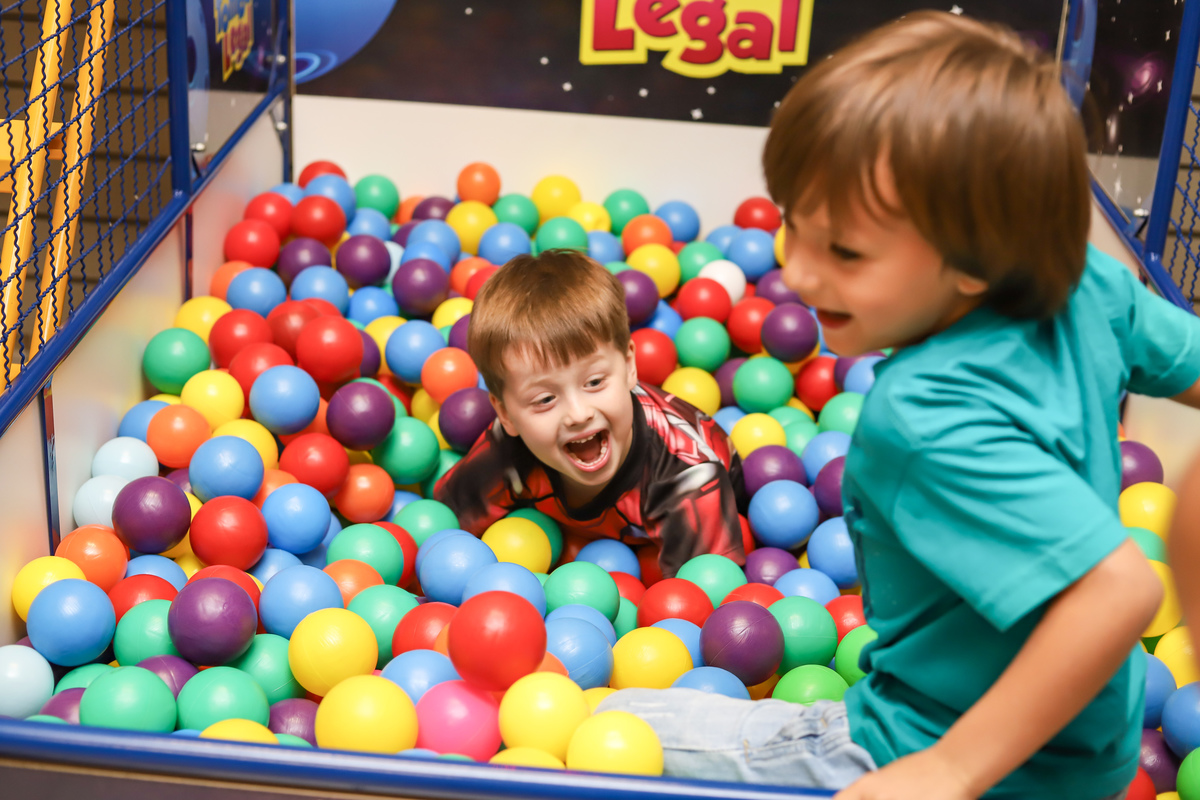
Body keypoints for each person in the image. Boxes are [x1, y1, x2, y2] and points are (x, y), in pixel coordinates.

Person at [599, 10, 1200, 800]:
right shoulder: (1084, 281)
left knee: (617, 729)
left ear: (978, 263)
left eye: (845, 251)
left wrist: (948, 770)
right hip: (1095, 748)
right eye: (793, 226)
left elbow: (1117, 591)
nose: (800, 276)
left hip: (931, 743)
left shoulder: (923, 415)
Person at [433, 248, 746, 578]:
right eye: (544, 399)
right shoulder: (508, 450)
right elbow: (442, 530)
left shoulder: (686, 478)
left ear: (628, 366)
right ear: (506, 413)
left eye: (595, 382)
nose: (578, 414)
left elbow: (706, 601)